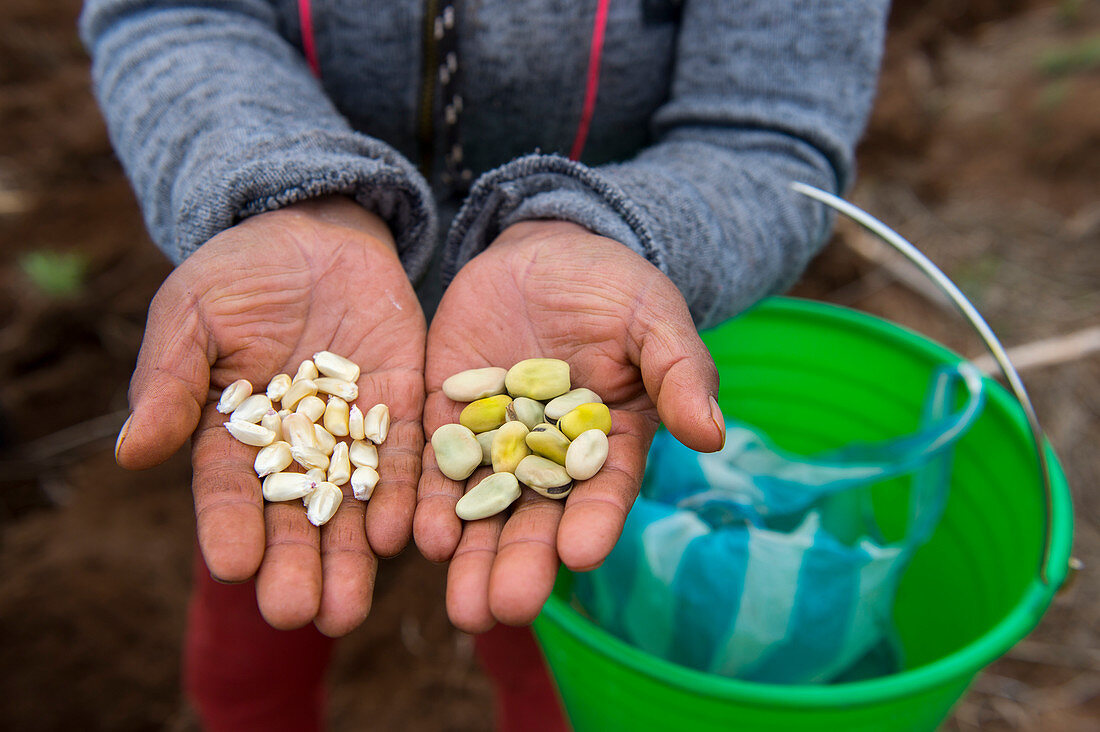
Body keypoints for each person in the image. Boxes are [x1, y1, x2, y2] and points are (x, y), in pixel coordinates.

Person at [81, 0, 890, 729]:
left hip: (577, 330)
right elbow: (169, 14)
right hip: (285, 327)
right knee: (263, 593)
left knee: (540, 623)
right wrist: (285, 190)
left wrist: (603, 228)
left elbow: (772, 134)